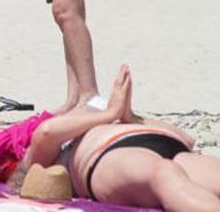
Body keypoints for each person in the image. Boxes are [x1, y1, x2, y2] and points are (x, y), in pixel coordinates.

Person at [13, 64, 220, 212]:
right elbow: (46, 133)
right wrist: (110, 114)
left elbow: (186, 138)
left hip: (167, 144)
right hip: (108, 154)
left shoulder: (104, 117)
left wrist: (130, 116)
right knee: (163, 173)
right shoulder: (41, 159)